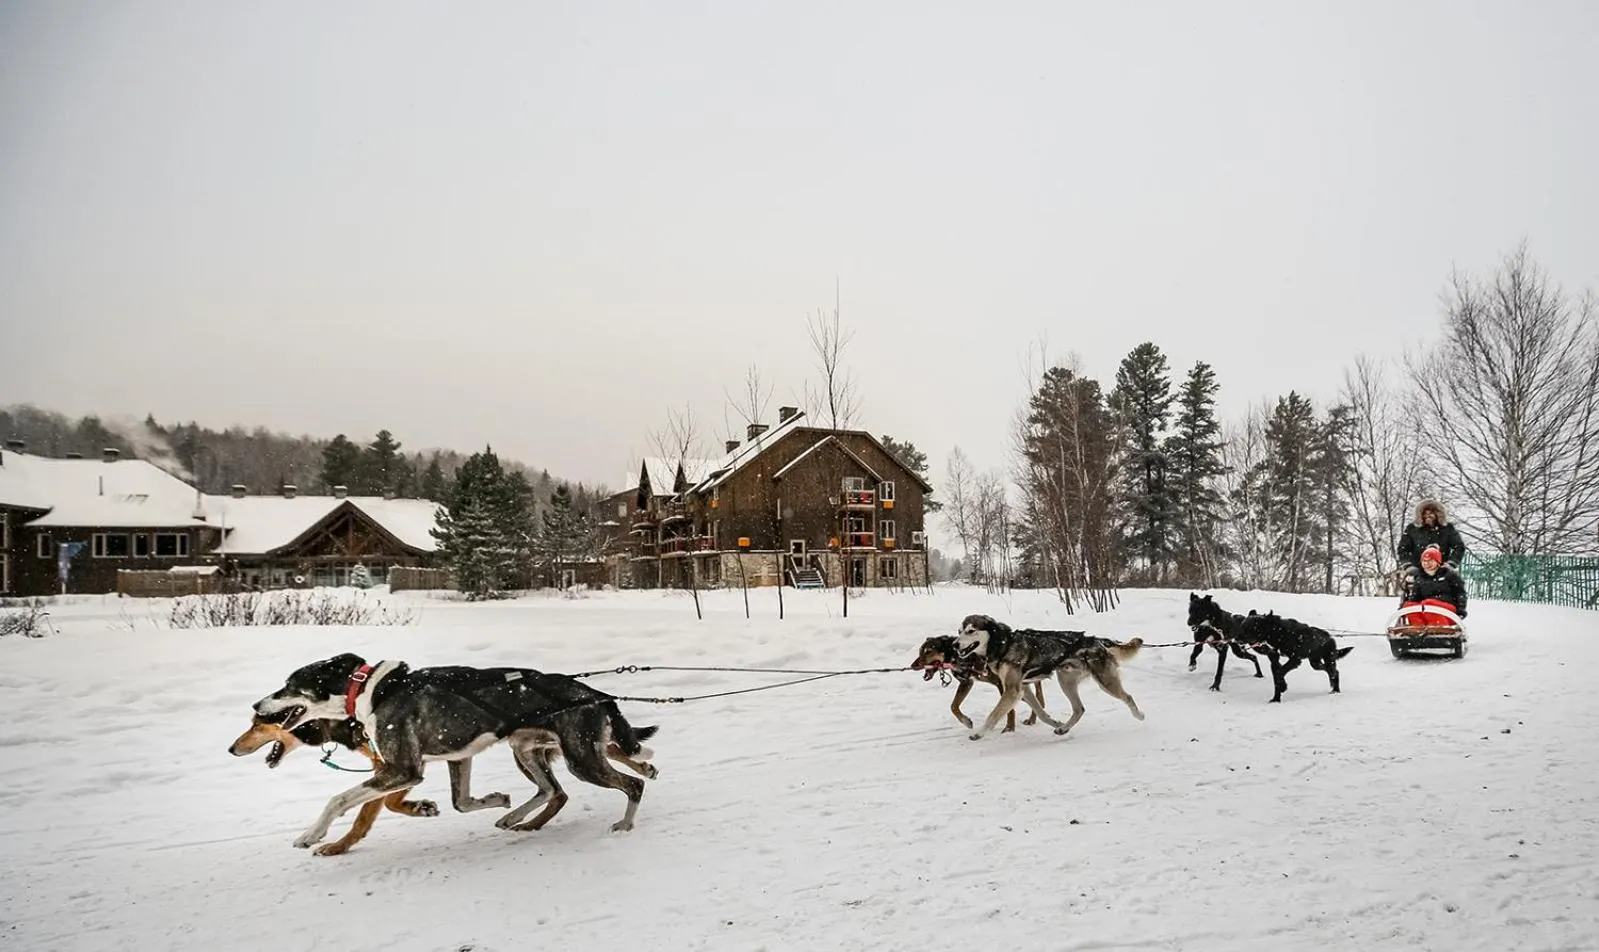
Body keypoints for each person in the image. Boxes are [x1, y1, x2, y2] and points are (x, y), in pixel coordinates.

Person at [1401, 544, 1467, 619]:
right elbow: (1415, 598)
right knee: (1410, 606)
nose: (1426, 563)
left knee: (1429, 603)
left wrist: (1461, 610)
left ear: (1437, 562)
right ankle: (1419, 628)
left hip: (1447, 609)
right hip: (1426, 609)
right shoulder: (1420, 578)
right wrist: (1405, 608)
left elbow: (1460, 593)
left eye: (1430, 561)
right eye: (1424, 561)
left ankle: (1439, 628)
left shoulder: (1449, 575)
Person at [1397, 500, 1466, 572]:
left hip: (1441, 572)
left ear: (1438, 514)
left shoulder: (1447, 528)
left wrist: (1450, 564)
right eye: (1425, 513)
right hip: (1418, 572)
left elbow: (1459, 547)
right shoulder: (1412, 529)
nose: (1427, 516)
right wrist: (1408, 566)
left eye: (1431, 513)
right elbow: (1403, 548)